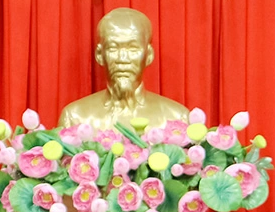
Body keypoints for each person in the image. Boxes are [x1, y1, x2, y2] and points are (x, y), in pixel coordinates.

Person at [57, 7, 189, 131]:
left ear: (149, 55)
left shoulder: (176, 119)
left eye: (133, 48)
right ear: (99, 55)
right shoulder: (75, 118)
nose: (122, 58)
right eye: (113, 48)